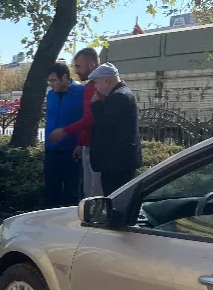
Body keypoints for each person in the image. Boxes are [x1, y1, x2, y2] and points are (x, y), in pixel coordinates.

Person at [88, 63, 142, 195]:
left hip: (117, 163)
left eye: (96, 82)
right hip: (118, 161)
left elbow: (105, 125)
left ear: (106, 80)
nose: (95, 86)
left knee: (115, 199)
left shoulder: (118, 96)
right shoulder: (121, 94)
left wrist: (96, 105)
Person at [55, 47, 102, 197]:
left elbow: (91, 118)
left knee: (94, 195)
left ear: (92, 64)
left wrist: (65, 130)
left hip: (97, 149)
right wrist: (81, 143)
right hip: (89, 146)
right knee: (89, 192)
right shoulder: (91, 86)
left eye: (78, 66)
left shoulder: (96, 86)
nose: (75, 71)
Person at [43, 61, 85, 207]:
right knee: (50, 192)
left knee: (72, 195)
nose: (51, 84)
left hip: (72, 152)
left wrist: (80, 143)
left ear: (65, 78)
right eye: (50, 81)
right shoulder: (51, 95)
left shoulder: (82, 92)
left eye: (54, 80)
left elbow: (87, 120)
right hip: (51, 151)